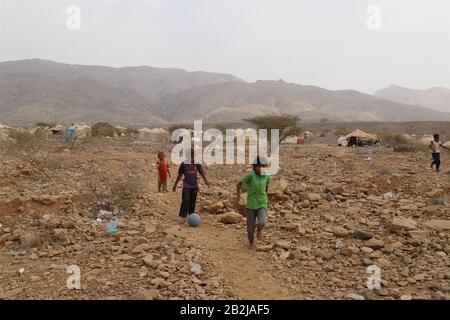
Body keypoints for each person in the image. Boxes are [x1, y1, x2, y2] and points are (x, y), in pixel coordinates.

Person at [235, 156, 270, 249]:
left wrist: (266, 198)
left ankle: (259, 230)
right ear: (254, 167)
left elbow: (266, 187)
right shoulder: (251, 176)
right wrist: (238, 198)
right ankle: (251, 242)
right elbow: (239, 184)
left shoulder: (267, 176)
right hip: (251, 203)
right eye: (258, 166)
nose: (260, 168)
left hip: (262, 202)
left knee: (262, 222)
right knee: (250, 227)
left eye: (262, 166)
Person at [173, 149, 209, 222]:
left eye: (192, 155)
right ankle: (183, 216)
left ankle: (191, 216)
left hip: (194, 185)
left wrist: (206, 181)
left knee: (192, 201)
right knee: (185, 200)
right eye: (190, 155)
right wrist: (175, 184)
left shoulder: (197, 163)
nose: (191, 156)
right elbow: (180, 174)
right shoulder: (183, 163)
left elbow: (201, 172)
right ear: (186, 156)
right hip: (186, 185)